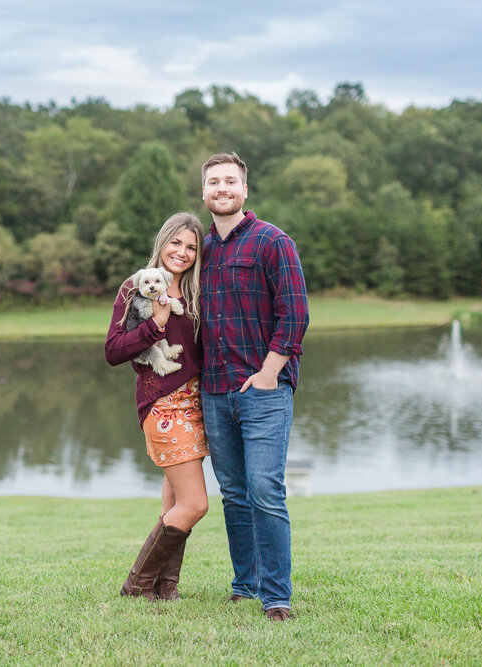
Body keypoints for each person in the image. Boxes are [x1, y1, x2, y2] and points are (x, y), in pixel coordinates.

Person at [198, 152, 309, 621]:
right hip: (215, 390)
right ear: (204, 194)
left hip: (263, 391)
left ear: (245, 190)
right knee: (235, 493)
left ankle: (276, 596)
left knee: (265, 489)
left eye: (230, 181)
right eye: (213, 182)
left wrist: (268, 373)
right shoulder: (200, 250)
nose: (221, 189)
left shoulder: (271, 242)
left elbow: (295, 313)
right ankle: (245, 584)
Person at [105, 212, 210, 601]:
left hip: (201, 404)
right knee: (196, 504)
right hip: (163, 405)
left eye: (191, 247)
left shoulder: (200, 291)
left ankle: (166, 588)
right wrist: (157, 324)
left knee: (176, 504)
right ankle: (137, 586)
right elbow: (113, 352)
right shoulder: (135, 288)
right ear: (162, 242)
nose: (181, 253)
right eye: (175, 243)